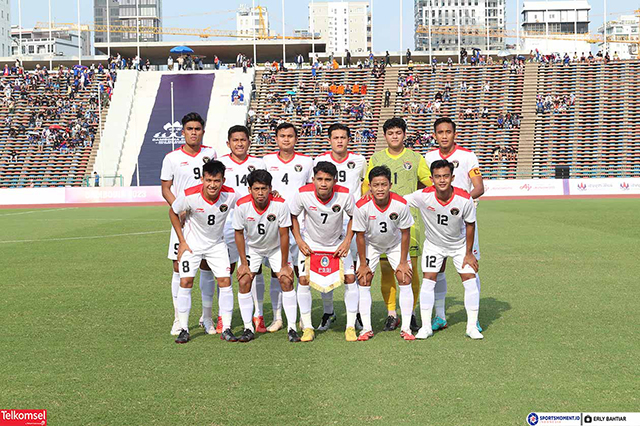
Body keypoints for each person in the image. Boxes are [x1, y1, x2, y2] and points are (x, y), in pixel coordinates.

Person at [362, 117, 432, 332]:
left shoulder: (415, 158)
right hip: (380, 221)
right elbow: (366, 188)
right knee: (385, 269)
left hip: (408, 222)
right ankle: (392, 313)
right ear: (385, 136)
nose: (394, 136)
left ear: (404, 134)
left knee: (409, 269)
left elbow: (429, 184)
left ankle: (410, 313)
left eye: (398, 133)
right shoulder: (375, 158)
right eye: (390, 133)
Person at [404, 159, 483, 340]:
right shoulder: (423, 195)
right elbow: (400, 201)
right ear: (431, 178)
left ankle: (472, 326)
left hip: (459, 246)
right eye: (438, 176)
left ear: (452, 177)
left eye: (445, 176)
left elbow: (470, 225)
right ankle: (425, 327)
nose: (441, 180)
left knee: (469, 279)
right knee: (428, 280)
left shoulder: (464, 199)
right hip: (434, 246)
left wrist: (469, 253)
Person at [424, 117, 484, 333]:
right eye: (440, 132)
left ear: (454, 134)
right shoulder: (429, 157)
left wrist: (459, 204)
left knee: (470, 269)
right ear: (435, 135)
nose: (444, 136)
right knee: (437, 270)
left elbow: (479, 187)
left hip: (463, 225)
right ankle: (440, 316)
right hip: (438, 226)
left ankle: (473, 319)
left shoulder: (468, 156)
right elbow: (425, 188)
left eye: (448, 132)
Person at [160, 112, 218, 337]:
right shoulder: (172, 158)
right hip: (184, 220)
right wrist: (178, 207)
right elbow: (166, 188)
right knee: (178, 267)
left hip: (206, 219)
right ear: (183, 132)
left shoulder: (210, 153)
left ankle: (206, 317)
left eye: (197, 128)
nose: (194, 132)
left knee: (206, 266)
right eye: (190, 129)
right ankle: (178, 318)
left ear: (203, 131)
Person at [169, 160, 237, 344]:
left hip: (217, 245)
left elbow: (247, 204)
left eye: (217, 180)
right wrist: (181, 241)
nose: (212, 185)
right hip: (192, 245)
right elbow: (172, 212)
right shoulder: (190, 195)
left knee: (225, 281)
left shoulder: (231, 195)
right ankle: (183, 328)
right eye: (208, 180)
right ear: (202, 179)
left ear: (223, 180)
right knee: (186, 281)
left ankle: (227, 328)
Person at [290, 161, 357, 342]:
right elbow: (292, 215)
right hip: (311, 245)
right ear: (313, 179)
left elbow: (354, 216)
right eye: (319, 179)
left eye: (328, 179)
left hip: (337, 244)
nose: (323, 183)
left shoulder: (344, 195)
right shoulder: (303, 194)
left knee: (350, 278)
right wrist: (299, 240)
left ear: (335, 180)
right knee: (303, 280)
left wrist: (347, 241)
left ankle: (350, 326)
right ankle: (308, 328)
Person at [233, 170, 300, 343]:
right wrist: (242, 263)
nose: (260, 193)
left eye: (264, 188)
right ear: (250, 190)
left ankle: (292, 327)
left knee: (286, 280)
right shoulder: (241, 205)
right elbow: (239, 234)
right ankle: (248, 327)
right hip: (253, 248)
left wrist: (284, 264)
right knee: (244, 280)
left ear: (270, 188)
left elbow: (284, 235)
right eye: (256, 189)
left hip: (275, 247)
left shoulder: (280, 204)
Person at [313, 123, 367, 331]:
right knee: (324, 268)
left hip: (353, 221)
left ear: (348, 139)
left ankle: (357, 314)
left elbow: (364, 186)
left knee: (352, 270)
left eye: (343, 137)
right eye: (335, 137)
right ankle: (329, 311)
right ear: (329, 140)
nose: (339, 141)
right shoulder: (319, 160)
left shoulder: (359, 160)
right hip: (326, 220)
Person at [353, 165, 415, 341]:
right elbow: (359, 236)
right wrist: (363, 264)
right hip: (370, 244)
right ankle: (366, 328)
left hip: (394, 244)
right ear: (370, 186)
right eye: (376, 185)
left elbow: (405, 233)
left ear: (390, 184)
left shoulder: (401, 204)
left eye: (383, 184)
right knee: (364, 279)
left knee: (405, 277)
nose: (380, 189)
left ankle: (406, 328)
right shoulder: (361, 206)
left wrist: (403, 261)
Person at [262, 123, 314, 332]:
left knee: (302, 273)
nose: (286, 139)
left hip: (300, 225)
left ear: (296, 139)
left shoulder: (306, 161)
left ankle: (303, 317)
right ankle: (277, 317)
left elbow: (312, 189)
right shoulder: (267, 161)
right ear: (276, 138)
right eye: (282, 136)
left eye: (290, 136)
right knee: (277, 272)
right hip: (275, 225)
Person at [218, 125, 268, 333]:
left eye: (243, 140)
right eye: (235, 140)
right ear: (228, 143)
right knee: (226, 270)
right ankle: (223, 316)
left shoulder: (258, 163)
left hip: (255, 222)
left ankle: (259, 315)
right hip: (228, 222)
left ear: (249, 141)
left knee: (255, 268)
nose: (239, 143)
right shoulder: (221, 163)